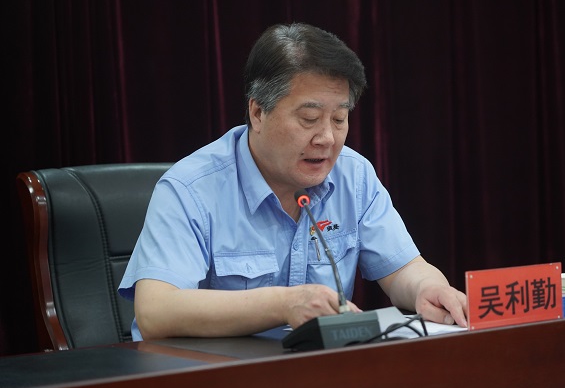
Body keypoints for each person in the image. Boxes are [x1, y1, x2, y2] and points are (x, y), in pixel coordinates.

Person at [118, 22, 468, 342]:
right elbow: (156, 312)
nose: (327, 138)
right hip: (215, 375)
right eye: (310, 118)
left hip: (316, 374)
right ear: (258, 112)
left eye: (339, 119)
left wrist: (427, 287)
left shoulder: (354, 176)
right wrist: (285, 304)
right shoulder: (190, 189)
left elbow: (404, 269)